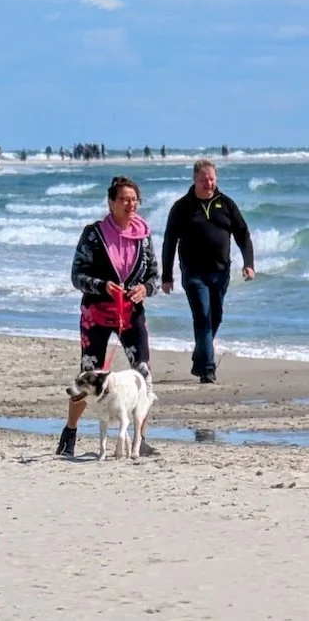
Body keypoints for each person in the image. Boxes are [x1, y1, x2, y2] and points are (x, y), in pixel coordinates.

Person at [58, 176, 160, 457]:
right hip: (97, 315)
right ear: (111, 202)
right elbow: (76, 275)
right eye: (124, 199)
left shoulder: (144, 235)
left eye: (134, 200)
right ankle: (70, 432)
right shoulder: (93, 234)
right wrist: (101, 286)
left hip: (132, 314)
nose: (131, 205)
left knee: (143, 374)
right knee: (88, 374)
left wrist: (145, 289)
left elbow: (153, 275)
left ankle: (140, 437)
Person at [160, 159, 255, 384]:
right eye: (204, 179)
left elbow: (243, 234)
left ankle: (200, 355)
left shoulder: (227, 205)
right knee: (202, 316)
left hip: (221, 272)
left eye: (212, 179)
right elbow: (169, 241)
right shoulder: (182, 207)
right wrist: (166, 276)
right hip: (193, 273)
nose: (208, 183)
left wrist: (248, 263)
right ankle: (208, 369)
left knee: (216, 316)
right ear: (194, 180)